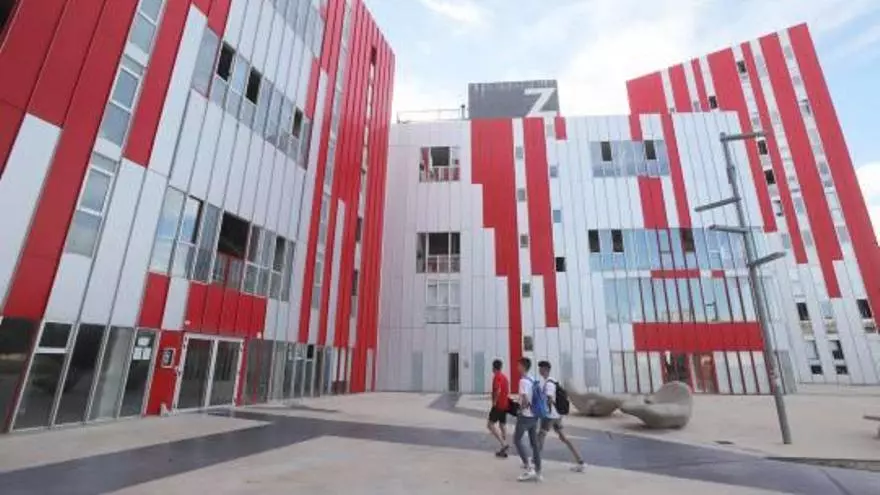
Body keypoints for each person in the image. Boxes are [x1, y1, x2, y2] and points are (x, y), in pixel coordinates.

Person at [537, 360, 586, 472]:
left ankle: (535, 464)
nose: (539, 370)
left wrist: (543, 412)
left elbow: (549, 399)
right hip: (557, 416)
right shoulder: (554, 381)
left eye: (541, 368)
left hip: (550, 416)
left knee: (540, 437)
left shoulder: (549, 383)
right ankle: (580, 461)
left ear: (545, 369)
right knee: (563, 438)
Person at [513, 357, 544, 482]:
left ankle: (528, 467)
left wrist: (519, 410)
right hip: (534, 415)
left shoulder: (523, 381)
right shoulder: (532, 379)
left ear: (523, 366)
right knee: (534, 443)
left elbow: (525, 400)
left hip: (525, 416)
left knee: (516, 440)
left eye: (518, 365)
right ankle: (538, 470)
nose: (517, 367)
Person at [487, 359, 510, 457]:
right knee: (502, 425)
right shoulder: (504, 377)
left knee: (490, 425)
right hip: (505, 404)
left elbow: (498, 390)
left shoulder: (497, 377)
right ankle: (504, 446)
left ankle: (503, 444)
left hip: (498, 405)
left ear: (493, 367)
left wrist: (494, 402)